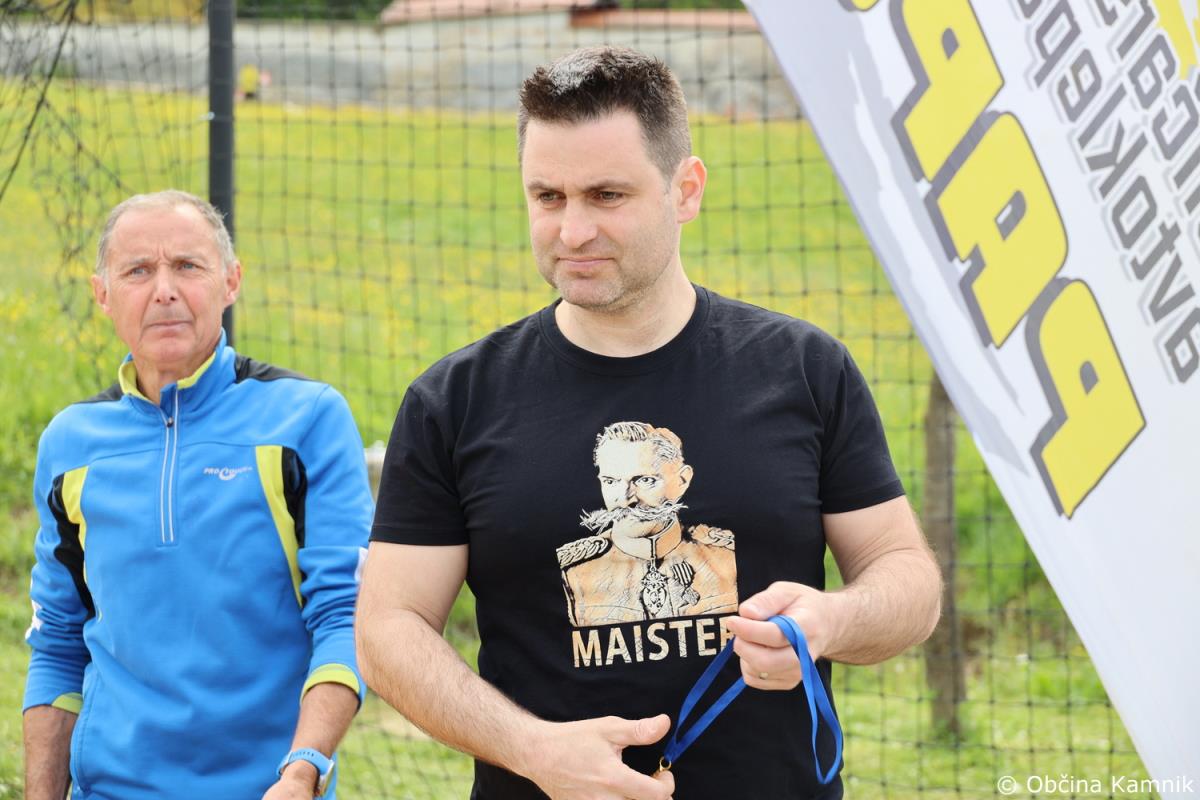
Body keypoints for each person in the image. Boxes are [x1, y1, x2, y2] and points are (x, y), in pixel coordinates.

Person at [357, 46, 941, 800]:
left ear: (685, 190)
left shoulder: (802, 369)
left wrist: (833, 620)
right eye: (547, 197)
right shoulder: (455, 401)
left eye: (607, 195)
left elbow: (908, 581)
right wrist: (532, 750)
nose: (572, 231)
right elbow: (389, 629)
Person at [23, 190, 371, 800]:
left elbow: (345, 617)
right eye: (138, 271)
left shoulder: (307, 418)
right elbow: (56, 644)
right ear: (102, 294)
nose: (164, 290)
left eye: (187, 265)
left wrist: (303, 769)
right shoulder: (70, 444)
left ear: (231, 281)